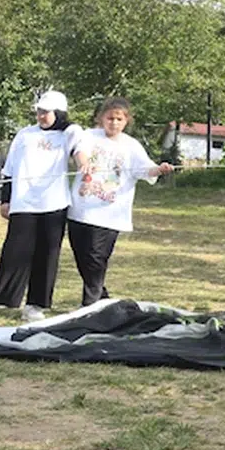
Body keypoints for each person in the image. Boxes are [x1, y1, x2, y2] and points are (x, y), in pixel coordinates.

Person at [0, 91, 83, 324]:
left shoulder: (69, 133)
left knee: (47, 255)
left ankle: (35, 304)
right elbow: (10, 170)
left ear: (59, 113)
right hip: (24, 203)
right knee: (14, 253)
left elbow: (80, 151)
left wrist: (85, 166)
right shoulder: (24, 135)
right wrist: (5, 200)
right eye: (39, 111)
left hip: (54, 204)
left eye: (46, 112)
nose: (41, 115)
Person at [66, 97, 173, 308]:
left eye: (118, 119)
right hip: (80, 209)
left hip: (110, 213)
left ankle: (90, 303)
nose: (113, 123)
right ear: (100, 118)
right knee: (82, 257)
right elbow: (80, 151)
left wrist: (159, 169)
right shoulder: (89, 136)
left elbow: (145, 169)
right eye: (109, 118)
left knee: (97, 258)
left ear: (126, 121)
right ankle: (102, 298)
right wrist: (84, 163)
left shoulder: (131, 146)